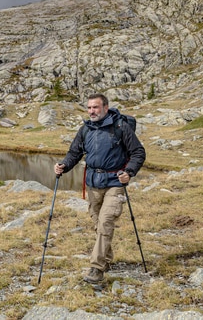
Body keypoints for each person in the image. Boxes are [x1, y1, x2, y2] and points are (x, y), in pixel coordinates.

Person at [54, 93, 146, 284]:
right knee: (98, 224)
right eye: (89, 108)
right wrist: (64, 165)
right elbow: (74, 153)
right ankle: (106, 259)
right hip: (93, 184)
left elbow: (138, 152)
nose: (91, 111)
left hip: (115, 183)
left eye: (95, 107)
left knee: (105, 222)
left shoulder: (121, 127)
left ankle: (96, 268)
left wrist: (129, 172)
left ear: (105, 107)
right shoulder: (85, 129)